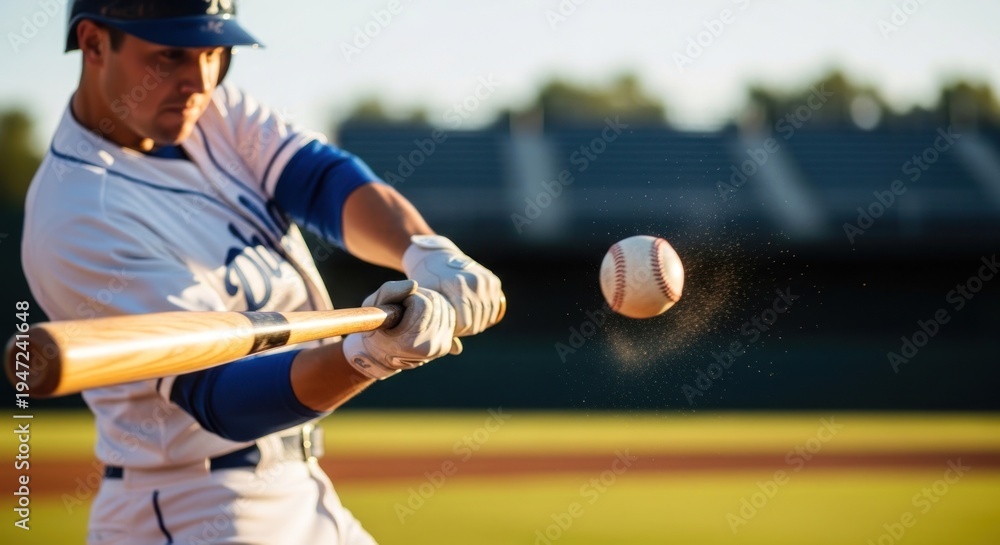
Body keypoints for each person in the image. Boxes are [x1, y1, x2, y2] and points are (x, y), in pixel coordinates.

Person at [22, 1, 505, 543]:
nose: (200, 80)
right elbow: (219, 396)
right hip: (194, 508)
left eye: (214, 53)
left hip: (297, 483)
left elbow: (320, 181)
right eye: (172, 54)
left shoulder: (212, 114)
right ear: (93, 43)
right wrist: (367, 355)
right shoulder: (77, 212)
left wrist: (422, 250)